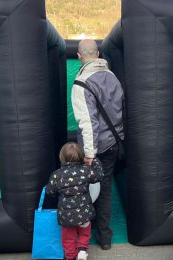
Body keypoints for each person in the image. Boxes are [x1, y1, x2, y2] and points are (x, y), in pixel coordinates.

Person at [71, 39, 124, 250]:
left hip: (93, 149)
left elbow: (88, 123)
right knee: (106, 189)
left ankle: (83, 234)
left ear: (79, 56)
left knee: (85, 189)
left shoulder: (81, 83)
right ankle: (105, 237)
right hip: (114, 143)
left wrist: (89, 154)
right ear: (99, 53)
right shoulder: (113, 77)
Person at [46, 142, 104, 260]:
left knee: (68, 237)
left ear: (62, 157)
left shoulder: (57, 175)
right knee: (84, 232)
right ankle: (82, 250)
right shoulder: (86, 171)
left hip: (67, 215)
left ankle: (70, 256)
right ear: (81, 156)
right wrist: (94, 160)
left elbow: (50, 192)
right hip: (84, 212)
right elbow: (99, 175)